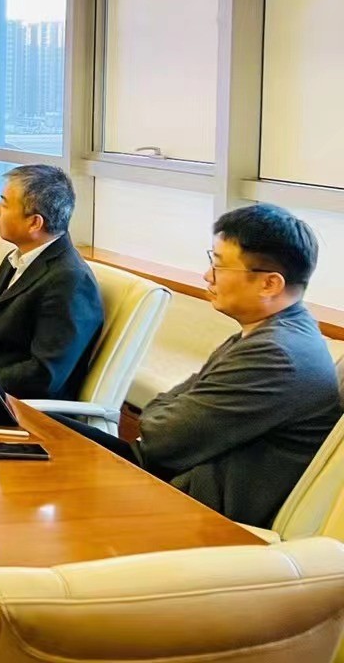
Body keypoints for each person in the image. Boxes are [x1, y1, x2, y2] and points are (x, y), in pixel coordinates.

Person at [52, 204, 341, 529]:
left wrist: (159, 418)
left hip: (193, 509)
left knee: (44, 464)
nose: (207, 276)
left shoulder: (277, 354)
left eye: (219, 265)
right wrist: (159, 417)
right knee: (40, 427)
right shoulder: (274, 333)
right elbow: (163, 412)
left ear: (269, 284)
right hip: (168, 475)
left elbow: (162, 439)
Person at [0, 165, 103, 398]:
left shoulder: (70, 281)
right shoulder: (18, 258)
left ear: (34, 223)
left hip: (13, 404)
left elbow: (44, 375)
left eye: (5, 204)